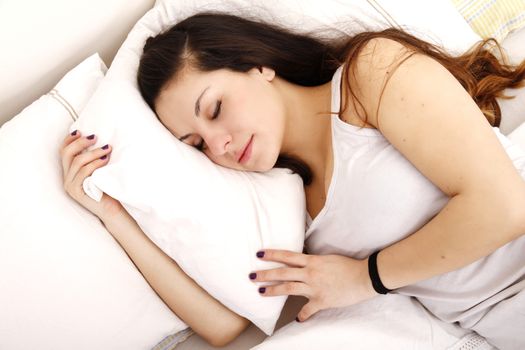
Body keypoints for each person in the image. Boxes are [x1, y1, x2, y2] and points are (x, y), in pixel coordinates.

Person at [60, 12, 525, 349]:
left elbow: (506, 206)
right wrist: (110, 213)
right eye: (197, 144)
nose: (219, 144)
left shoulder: (369, 75)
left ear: (259, 65)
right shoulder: (283, 202)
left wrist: (366, 277)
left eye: (216, 109)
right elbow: (224, 326)